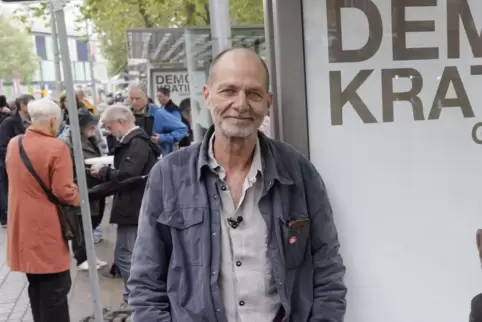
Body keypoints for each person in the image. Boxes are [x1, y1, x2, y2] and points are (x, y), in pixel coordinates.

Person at [127, 47, 347, 321]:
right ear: (207, 95)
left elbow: (327, 268)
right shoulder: (169, 176)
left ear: (268, 103)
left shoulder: (298, 172)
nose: (241, 104)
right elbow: (145, 282)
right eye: (229, 91)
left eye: (253, 93)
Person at [6, 98, 80, 322]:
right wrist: (81, 197)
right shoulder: (57, 148)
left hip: (21, 226)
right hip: (46, 227)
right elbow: (63, 191)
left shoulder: (14, 143)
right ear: (53, 121)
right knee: (57, 288)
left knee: (36, 286)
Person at [90, 104, 161, 305]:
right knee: (126, 255)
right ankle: (137, 297)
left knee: (127, 256)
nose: (107, 131)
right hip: (135, 206)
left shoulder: (137, 143)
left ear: (120, 122)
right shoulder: (138, 141)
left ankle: (139, 299)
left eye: (108, 126)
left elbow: (129, 175)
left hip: (134, 207)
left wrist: (104, 172)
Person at [60, 111, 107, 271]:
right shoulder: (69, 142)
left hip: (94, 185)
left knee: (93, 220)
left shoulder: (90, 139)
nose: (94, 129)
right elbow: (71, 166)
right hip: (81, 186)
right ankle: (82, 258)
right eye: (91, 126)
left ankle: (89, 256)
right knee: (81, 224)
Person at [0, 94, 34, 227]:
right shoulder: (9, 122)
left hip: (31, 165)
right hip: (15, 164)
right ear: (22, 105)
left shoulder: (33, 120)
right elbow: (3, 144)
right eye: (30, 104)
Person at [128, 82, 187, 155]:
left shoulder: (158, 113)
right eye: (131, 98)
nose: (134, 102)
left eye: (137, 98)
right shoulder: (126, 114)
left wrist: (163, 138)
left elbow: (183, 129)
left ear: (146, 96)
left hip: (156, 160)